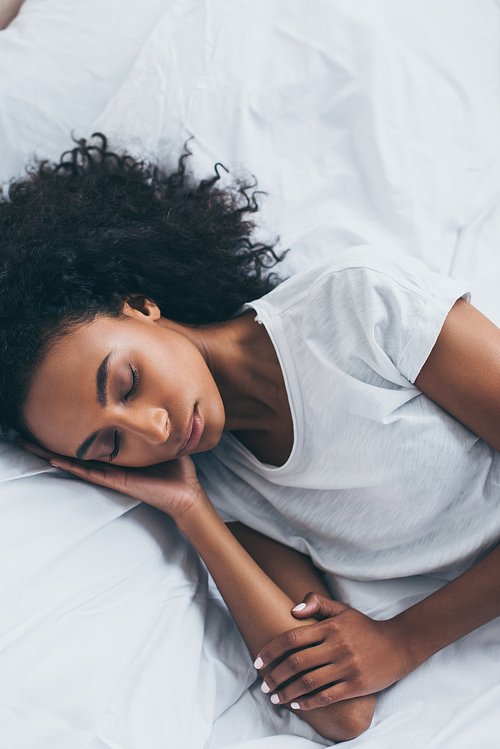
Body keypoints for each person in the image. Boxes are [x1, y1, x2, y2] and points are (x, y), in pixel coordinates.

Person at [1, 135, 499, 741]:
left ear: (139, 307)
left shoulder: (357, 304)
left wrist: (404, 640)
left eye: (127, 383)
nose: (152, 429)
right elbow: (339, 712)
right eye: (108, 445)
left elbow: (382, 658)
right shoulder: (222, 488)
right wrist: (191, 512)